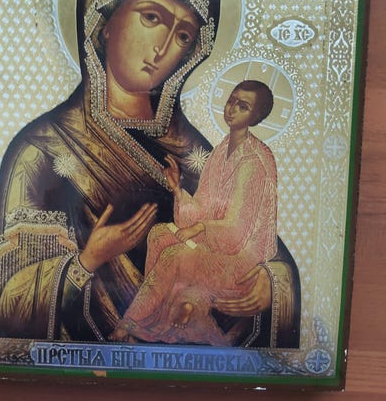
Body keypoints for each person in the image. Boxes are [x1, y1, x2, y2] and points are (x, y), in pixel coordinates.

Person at [0, 0, 300, 347]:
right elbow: (8, 303)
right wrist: (87, 260)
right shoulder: (43, 150)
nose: (163, 47)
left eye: (184, 35)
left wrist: (271, 282)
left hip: (194, 360)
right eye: (151, 18)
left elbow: (253, 236)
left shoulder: (199, 152)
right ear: (104, 22)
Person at [111, 80, 278, 345]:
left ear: (256, 116)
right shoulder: (221, 151)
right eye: (231, 100)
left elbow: (238, 232)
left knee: (176, 255)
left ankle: (131, 323)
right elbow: (202, 209)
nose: (232, 109)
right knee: (159, 235)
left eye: (243, 106)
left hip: (242, 261)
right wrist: (177, 190)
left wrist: (199, 229)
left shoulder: (253, 162)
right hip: (218, 246)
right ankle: (171, 311)